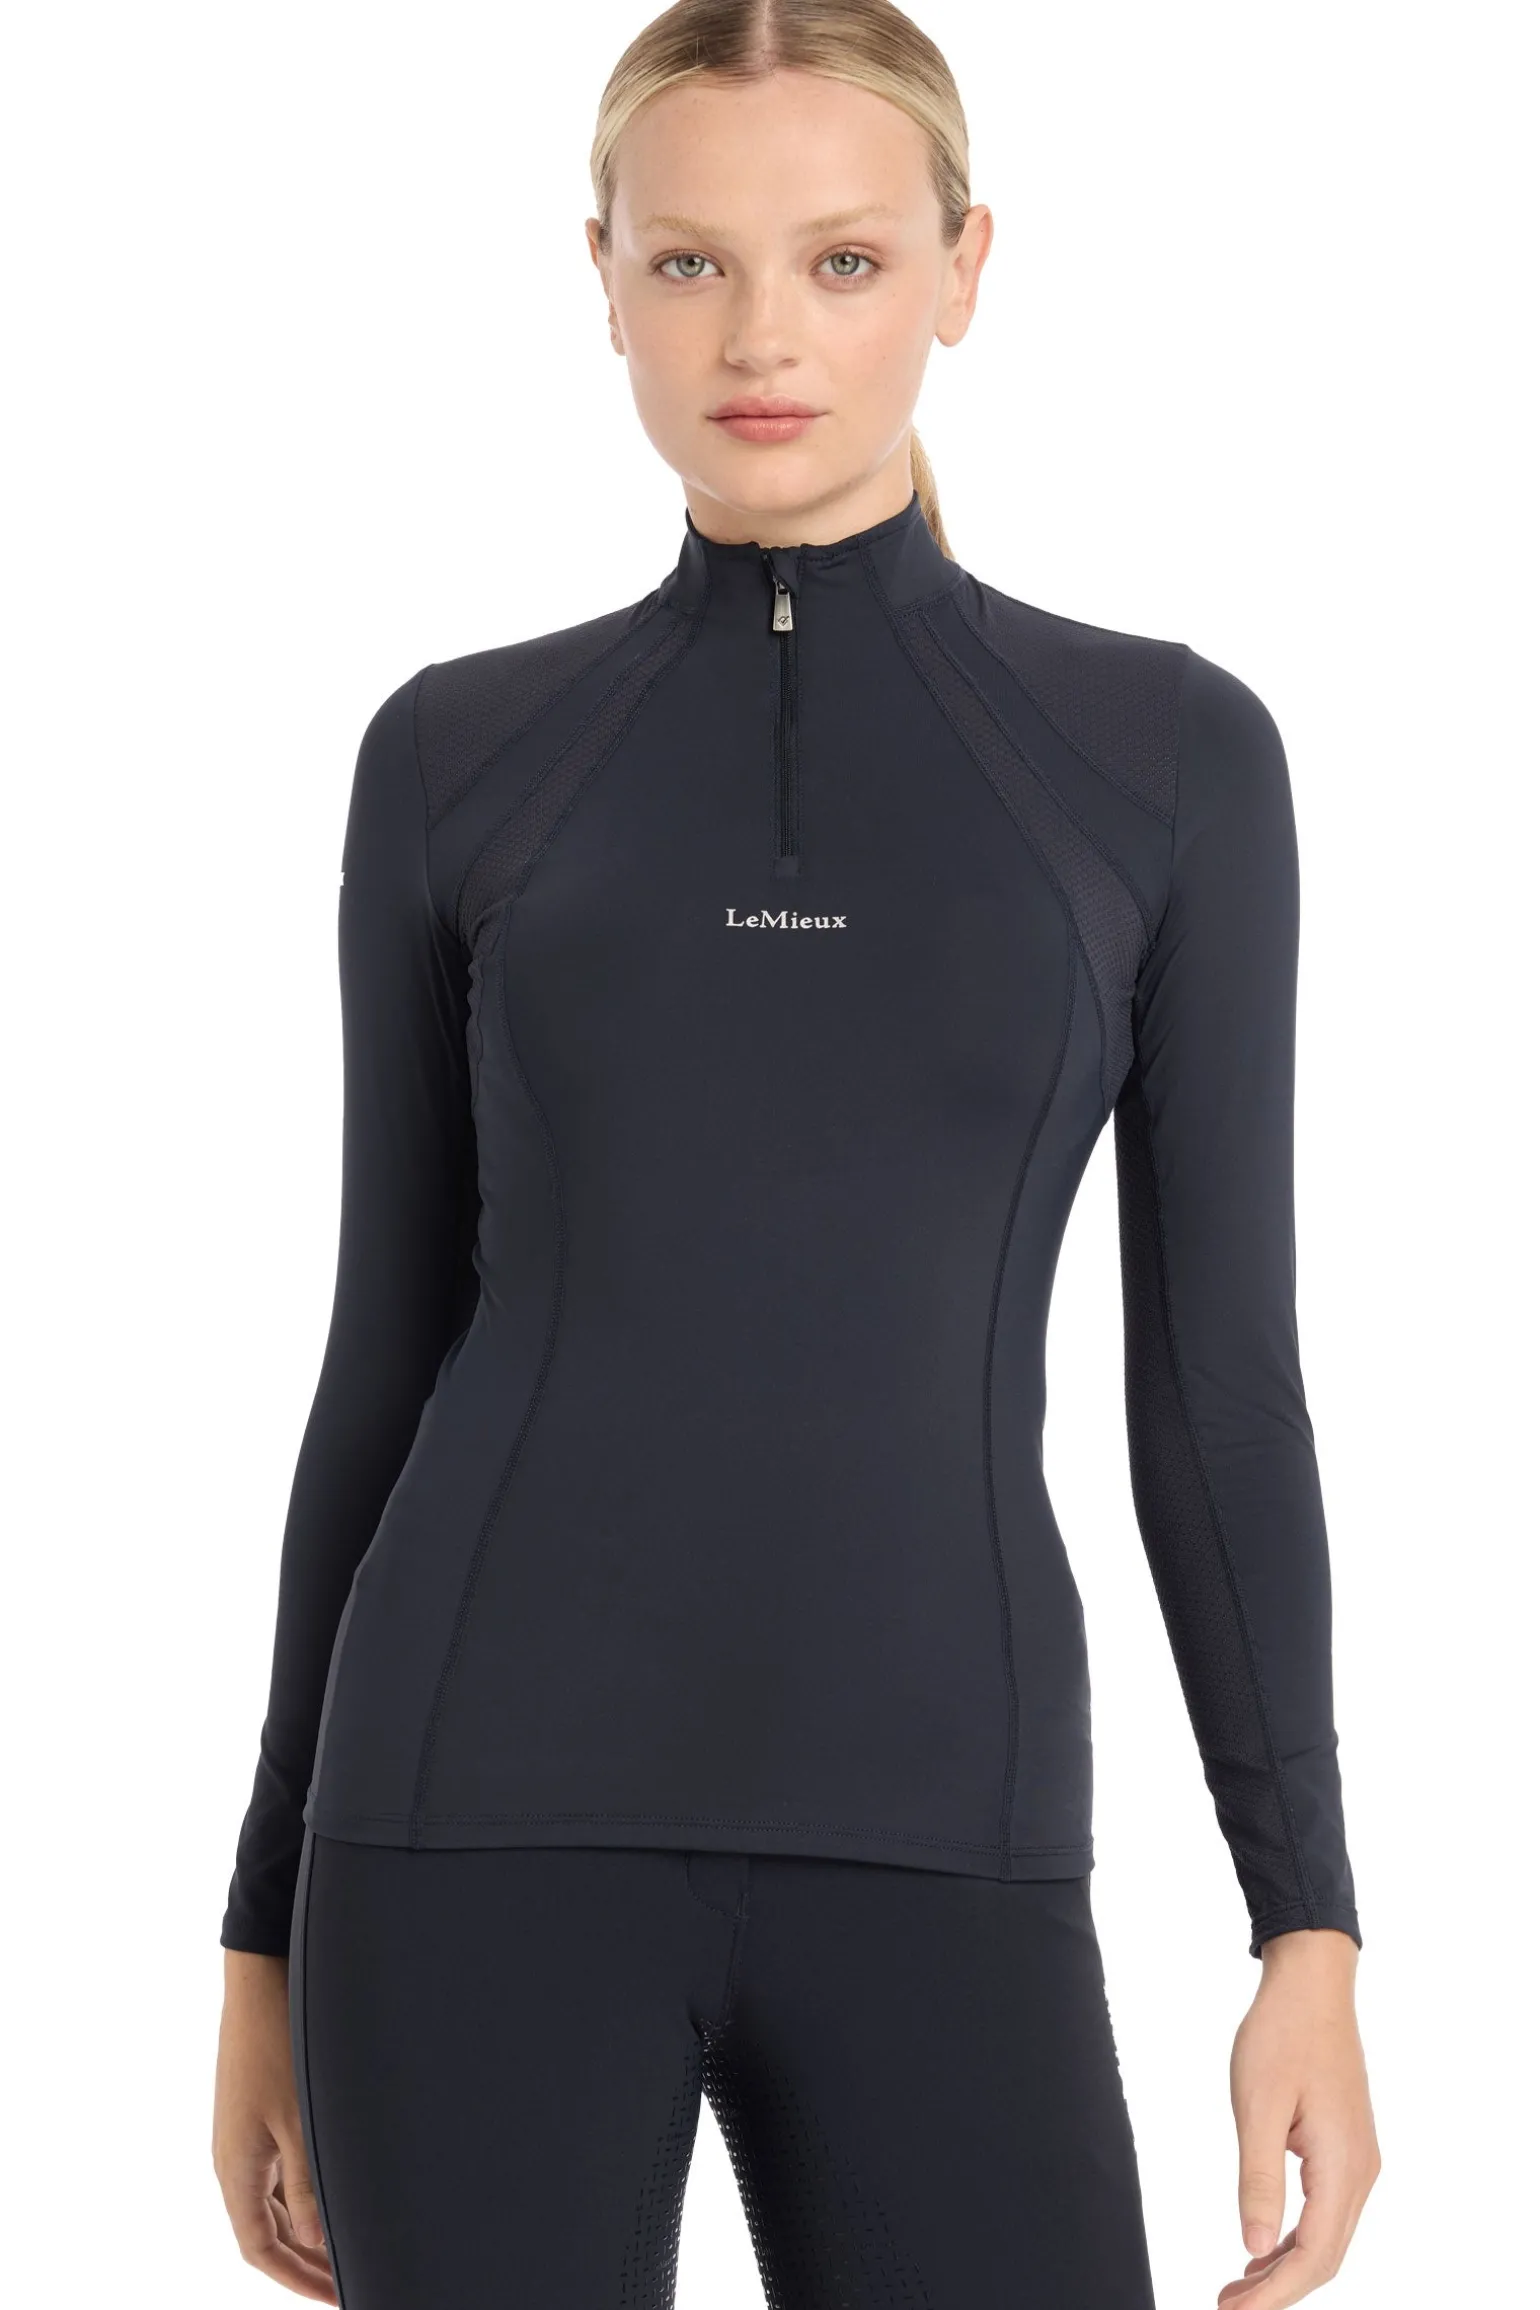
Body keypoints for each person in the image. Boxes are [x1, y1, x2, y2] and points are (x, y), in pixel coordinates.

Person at [211, 5, 1380, 2304]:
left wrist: (1304, 1922)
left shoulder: (1157, 762)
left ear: (962, 267)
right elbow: (382, 1359)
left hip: (945, 1841)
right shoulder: (456, 756)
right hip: (460, 1841)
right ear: (602, 277)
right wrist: (256, 1929)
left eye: (839, 261)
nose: (759, 337)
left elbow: (1215, 1390)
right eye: (690, 263)